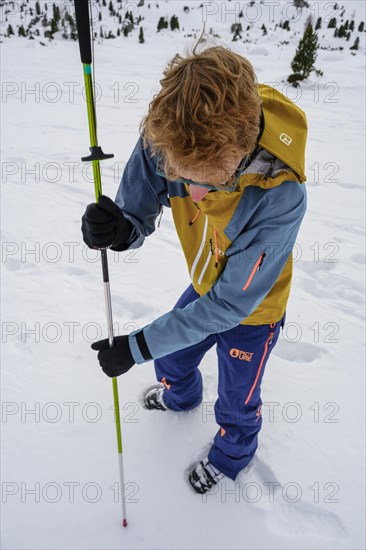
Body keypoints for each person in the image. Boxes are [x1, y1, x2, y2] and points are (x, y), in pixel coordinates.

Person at [81, 45, 307, 494]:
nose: (195, 196)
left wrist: (136, 345)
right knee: (170, 356)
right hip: (206, 286)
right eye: (184, 178)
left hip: (253, 310)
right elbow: (137, 208)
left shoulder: (282, 196)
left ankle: (231, 454)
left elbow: (228, 307)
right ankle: (180, 398)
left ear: (242, 153)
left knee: (237, 401)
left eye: (211, 180)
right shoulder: (168, 137)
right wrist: (118, 230)